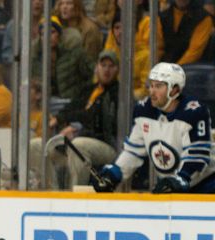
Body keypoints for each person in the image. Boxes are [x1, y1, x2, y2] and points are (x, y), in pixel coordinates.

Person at [97, 62, 215, 193]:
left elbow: (197, 155)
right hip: (172, 185)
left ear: (174, 90)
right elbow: (133, 151)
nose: (152, 91)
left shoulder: (194, 112)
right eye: (151, 85)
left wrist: (182, 178)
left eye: (158, 86)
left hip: (206, 185)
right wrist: (114, 173)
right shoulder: (144, 110)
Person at [30, 50, 120, 189]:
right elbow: (70, 109)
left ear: (117, 70)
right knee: (36, 145)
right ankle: (52, 193)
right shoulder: (88, 90)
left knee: (78, 145)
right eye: (103, 65)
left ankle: (75, 196)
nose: (107, 70)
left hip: (106, 145)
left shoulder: (118, 93)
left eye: (111, 66)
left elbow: (97, 118)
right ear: (97, 67)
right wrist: (58, 119)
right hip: (78, 141)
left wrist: (76, 127)